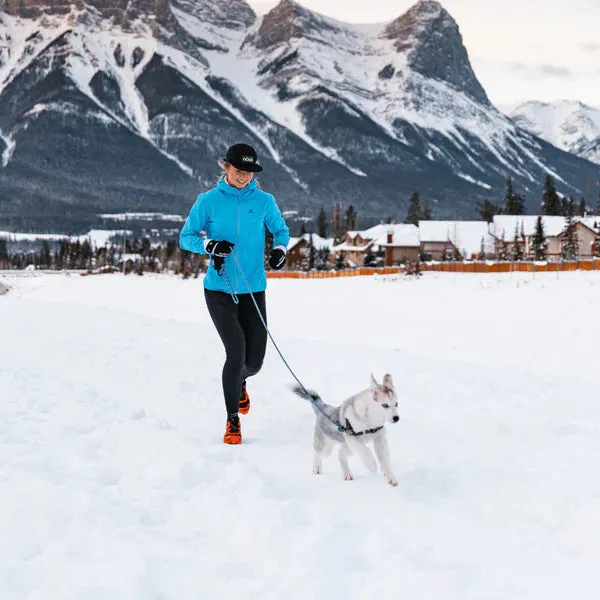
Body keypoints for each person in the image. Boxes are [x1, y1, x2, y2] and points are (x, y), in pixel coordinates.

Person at [179, 143, 290, 444]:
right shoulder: (209, 201)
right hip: (219, 289)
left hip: (254, 289)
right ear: (225, 167)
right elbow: (186, 237)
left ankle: (242, 381)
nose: (243, 178)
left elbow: (281, 231)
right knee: (236, 351)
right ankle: (232, 420)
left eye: (248, 173)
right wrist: (210, 246)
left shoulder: (265, 201)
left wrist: (280, 249)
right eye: (239, 171)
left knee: (254, 362)